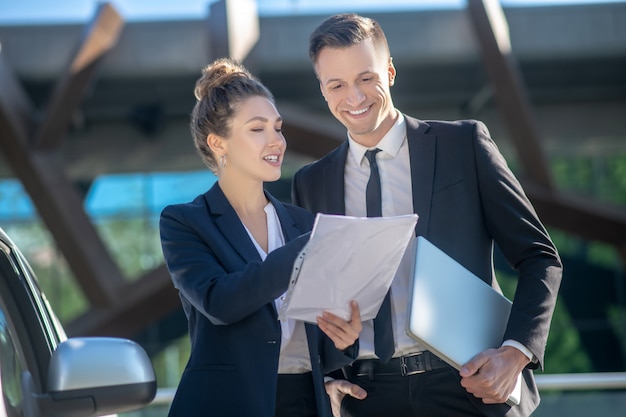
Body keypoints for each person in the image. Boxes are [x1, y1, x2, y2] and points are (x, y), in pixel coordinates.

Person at [291, 13, 563, 417]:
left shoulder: (463, 145)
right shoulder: (310, 183)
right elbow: (309, 301)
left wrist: (514, 354)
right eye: (337, 85)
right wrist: (324, 380)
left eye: (366, 78)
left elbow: (539, 258)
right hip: (366, 399)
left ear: (390, 71)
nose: (354, 96)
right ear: (323, 90)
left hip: (469, 385)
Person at [159, 57, 362, 417]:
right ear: (218, 143)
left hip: (303, 402)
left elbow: (311, 336)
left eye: (278, 128)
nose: (276, 141)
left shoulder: (301, 222)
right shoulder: (185, 222)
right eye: (257, 129)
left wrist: (343, 342)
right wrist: (307, 249)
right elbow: (221, 302)